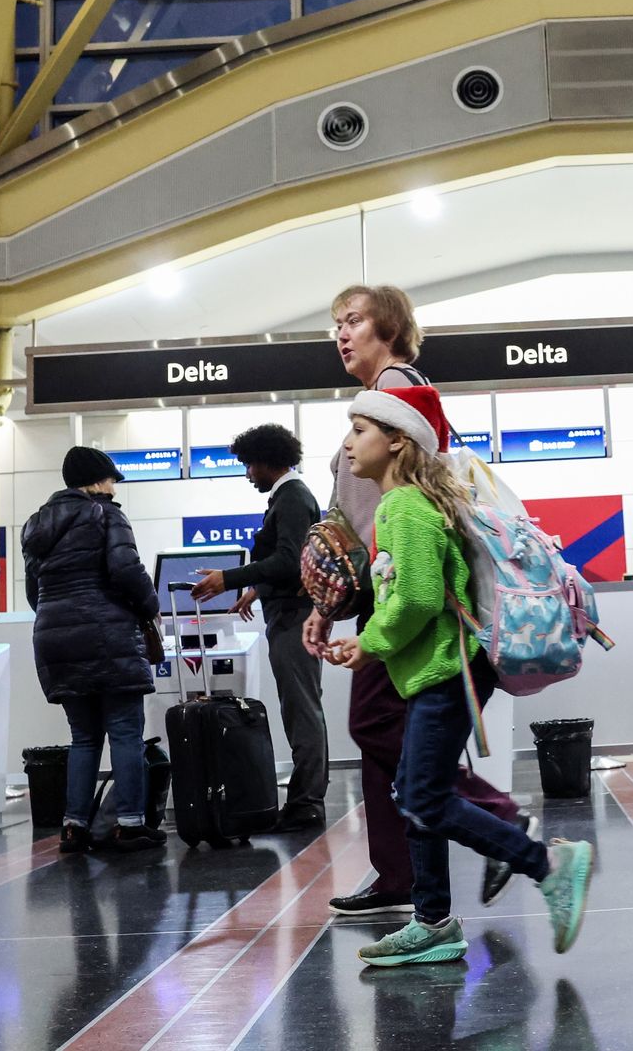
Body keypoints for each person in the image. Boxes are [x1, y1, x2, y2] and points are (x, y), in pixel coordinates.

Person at [320, 383, 593, 966]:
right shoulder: (415, 502)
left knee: (422, 797)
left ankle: (548, 866)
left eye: (360, 430)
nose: (347, 444)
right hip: (439, 673)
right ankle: (433, 920)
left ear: (398, 442)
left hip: (447, 674)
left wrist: (368, 644)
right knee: (415, 794)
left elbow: (417, 599)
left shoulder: (404, 507)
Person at [303, 284, 535, 917]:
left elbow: (397, 502)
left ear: (390, 329)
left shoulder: (400, 391)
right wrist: (329, 598)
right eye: (336, 324)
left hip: (402, 590)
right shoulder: (384, 394)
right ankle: (402, 876)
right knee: (384, 734)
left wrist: (341, 601)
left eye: (353, 321)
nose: (342, 334)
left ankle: (497, 820)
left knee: (379, 727)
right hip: (384, 586)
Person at [23, 446, 165, 855]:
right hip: (107, 633)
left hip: (54, 636)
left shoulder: (36, 524)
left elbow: (35, 592)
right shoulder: (106, 513)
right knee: (124, 730)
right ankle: (129, 824)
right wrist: (150, 606)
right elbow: (125, 570)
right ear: (97, 481)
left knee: (83, 736)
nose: (113, 487)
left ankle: (74, 827)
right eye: (110, 480)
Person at [191, 423, 328, 831]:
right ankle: (308, 796)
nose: (248, 473)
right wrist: (257, 588)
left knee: (302, 710)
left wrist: (228, 579)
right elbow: (292, 561)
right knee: (302, 707)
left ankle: (306, 803)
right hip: (288, 611)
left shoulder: (290, 498)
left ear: (268, 460)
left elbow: (289, 560)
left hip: (294, 618)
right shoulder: (289, 497)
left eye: (250, 465)